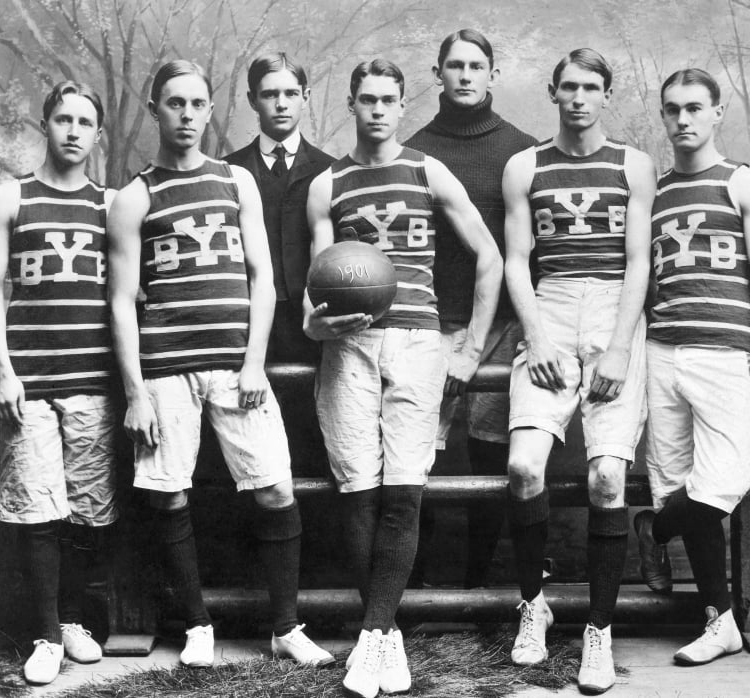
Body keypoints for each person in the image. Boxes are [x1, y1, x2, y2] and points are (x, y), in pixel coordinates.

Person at [107, 59, 332, 669]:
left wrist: (255, 362)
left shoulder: (237, 180)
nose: (186, 115)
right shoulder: (135, 197)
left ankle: (286, 625)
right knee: (170, 495)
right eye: (174, 103)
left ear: (211, 109)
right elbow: (123, 302)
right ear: (156, 110)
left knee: (276, 488)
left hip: (236, 367)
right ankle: (197, 624)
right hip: (164, 369)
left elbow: (264, 278)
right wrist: (135, 392)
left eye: (197, 103)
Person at [305, 58, 502, 698]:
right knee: (357, 486)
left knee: (405, 487)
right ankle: (382, 637)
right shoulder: (326, 184)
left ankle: (373, 637)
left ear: (401, 103)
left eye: (389, 100)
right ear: (351, 104)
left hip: (419, 339)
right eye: (367, 100)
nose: (379, 111)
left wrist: (470, 350)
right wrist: (317, 328)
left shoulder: (427, 169)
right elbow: (315, 288)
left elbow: (490, 257)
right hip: (349, 345)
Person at [501, 48, 655, 694]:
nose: (580, 98)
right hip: (553, 302)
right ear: (553, 91)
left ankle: (599, 628)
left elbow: (641, 261)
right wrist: (535, 336)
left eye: (592, 87)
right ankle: (533, 604)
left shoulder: (633, 164)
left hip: (616, 304)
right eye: (569, 87)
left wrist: (620, 347)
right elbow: (515, 260)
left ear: (606, 95)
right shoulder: (525, 165)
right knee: (523, 467)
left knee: (607, 478)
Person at [634, 68, 750, 666]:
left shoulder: (744, 183)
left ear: (718, 111)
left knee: (722, 482)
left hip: (723, 351)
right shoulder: (654, 189)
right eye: (672, 110)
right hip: (662, 347)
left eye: (695, 108)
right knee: (673, 480)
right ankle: (717, 621)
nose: (683, 120)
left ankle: (654, 529)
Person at [0, 81, 118, 685]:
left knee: (87, 511)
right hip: (30, 380)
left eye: (85, 122)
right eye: (63, 119)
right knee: (37, 506)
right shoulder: (10, 197)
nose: (73, 131)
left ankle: (75, 623)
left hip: (94, 378)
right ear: (46, 124)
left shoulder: (111, 205)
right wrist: (2, 369)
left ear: (97, 132)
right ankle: (44, 631)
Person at [404, 28, 536, 589]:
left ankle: (480, 582)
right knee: (417, 453)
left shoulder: (522, 149)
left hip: (502, 321)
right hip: (430, 320)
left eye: (476, 66)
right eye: (454, 66)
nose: (464, 75)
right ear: (438, 74)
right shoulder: (413, 150)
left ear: (492, 75)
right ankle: (419, 585)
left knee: (491, 455)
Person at [223, 52, 335, 474]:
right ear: (253, 100)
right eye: (270, 94)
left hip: (309, 321)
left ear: (306, 97)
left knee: (311, 432)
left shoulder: (329, 171)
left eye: (291, 93)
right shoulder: (229, 172)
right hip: (245, 319)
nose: (282, 103)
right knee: (245, 431)